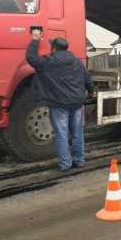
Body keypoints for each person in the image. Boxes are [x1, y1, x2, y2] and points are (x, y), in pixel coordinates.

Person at [27, 29, 95, 171]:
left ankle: (65, 164)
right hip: (77, 102)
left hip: (59, 104)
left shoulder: (49, 62)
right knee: (77, 132)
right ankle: (79, 160)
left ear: (55, 48)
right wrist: (91, 92)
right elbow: (88, 79)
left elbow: (31, 58)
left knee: (62, 133)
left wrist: (35, 40)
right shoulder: (76, 62)